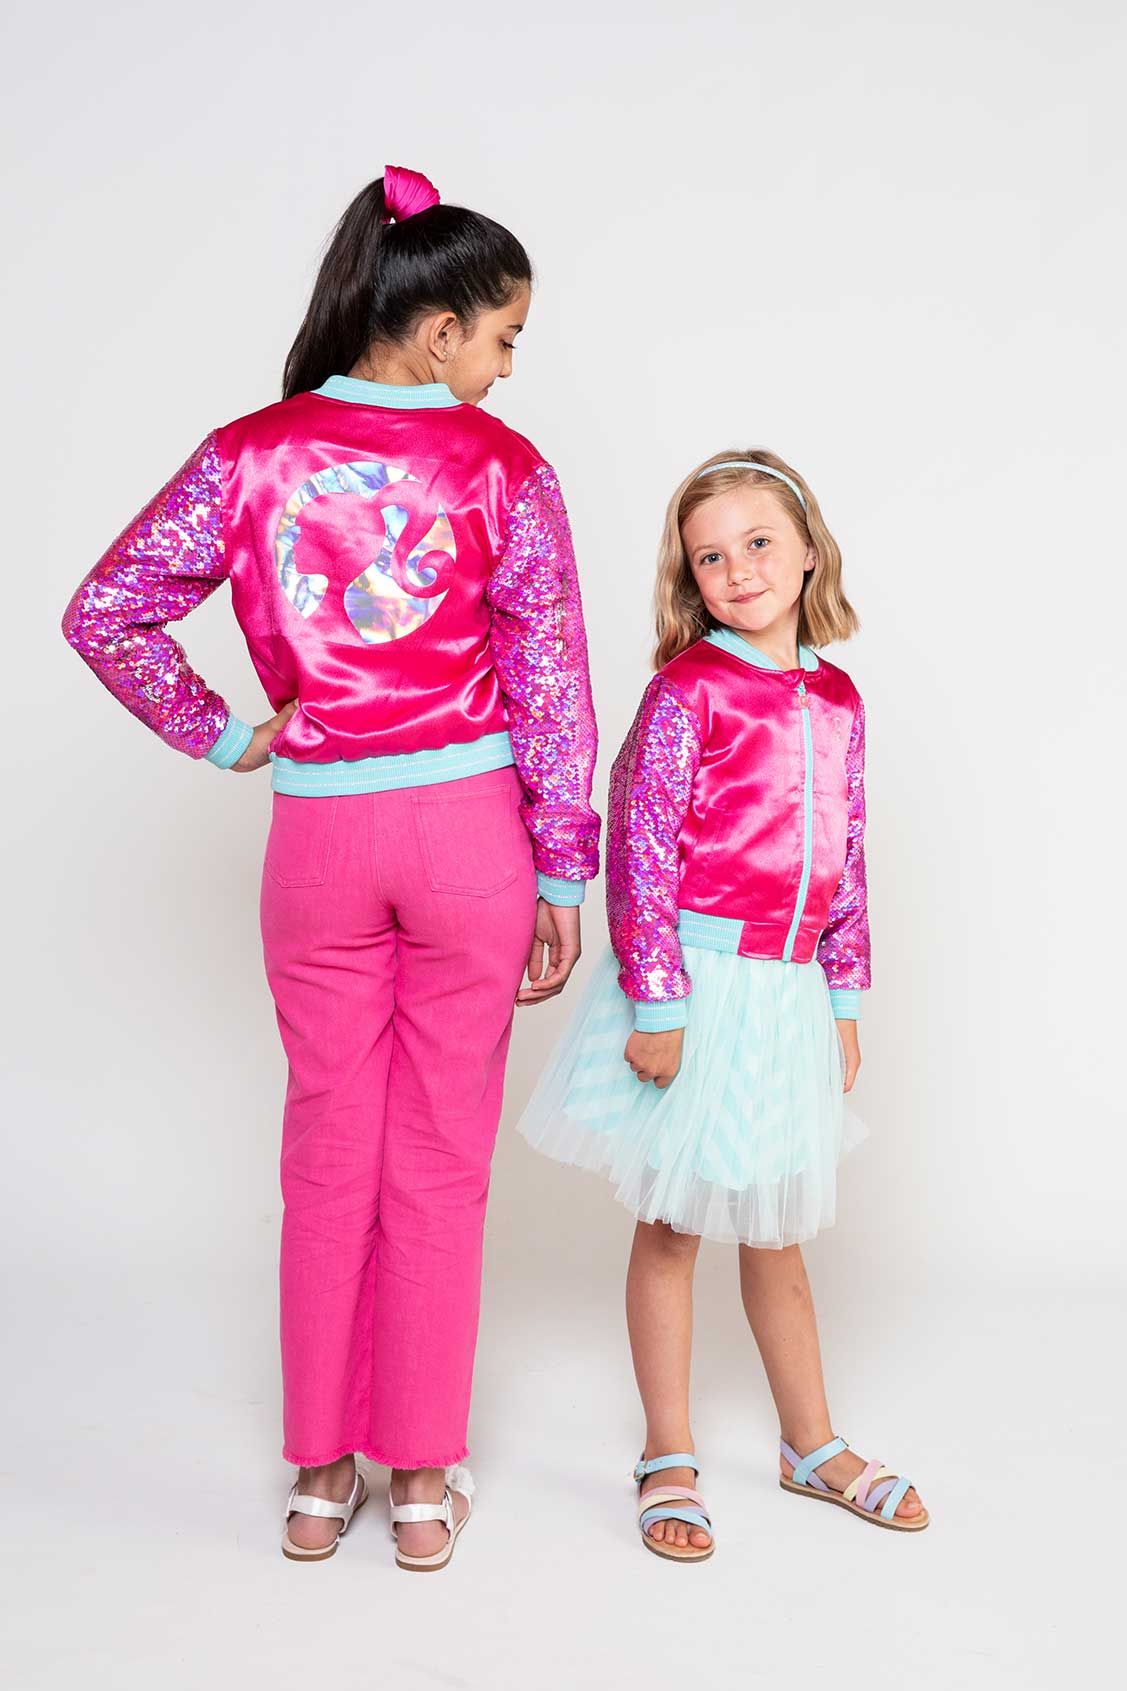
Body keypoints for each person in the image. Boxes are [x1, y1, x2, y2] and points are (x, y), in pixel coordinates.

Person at [62, 165, 600, 1572]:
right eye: (503, 338)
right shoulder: (505, 468)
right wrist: (562, 870)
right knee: (439, 1159)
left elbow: (106, 611)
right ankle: (417, 1485)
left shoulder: (247, 452)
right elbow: (550, 682)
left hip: (319, 840)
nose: (504, 367)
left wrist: (227, 731)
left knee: (326, 1149)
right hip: (467, 836)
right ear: (439, 329)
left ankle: (316, 1479)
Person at [517, 448, 926, 1560]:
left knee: (777, 1226)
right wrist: (656, 1004)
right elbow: (639, 848)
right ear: (687, 578)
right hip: (696, 985)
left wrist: (842, 1000)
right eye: (709, 556)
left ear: (807, 550)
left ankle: (809, 1441)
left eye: (756, 543)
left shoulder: (837, 699)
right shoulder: (687, 690)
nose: (737, 569)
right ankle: (666, 1450)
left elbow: (846, 854)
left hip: (788, 992)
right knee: (672, 1223)